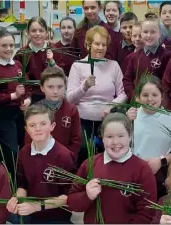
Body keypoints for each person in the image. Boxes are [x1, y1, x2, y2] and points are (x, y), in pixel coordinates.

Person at [67, 113, 157, 224]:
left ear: (130, 136)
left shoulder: (142, 169)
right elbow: (72, 202)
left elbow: (147, 212)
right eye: (109, 137)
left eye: (121, 136)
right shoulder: (89, 164)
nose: (115, 142)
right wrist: (87, 196)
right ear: (102, 138)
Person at [67, 25, 127, 165]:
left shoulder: (113, 65)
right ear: (88, 44)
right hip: (83, 119)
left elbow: (123, 94)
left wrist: (111, 106)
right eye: (97, 44)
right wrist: (85, 86)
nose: (100, 48)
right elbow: (70, 98)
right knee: (84, 149)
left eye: (103, 44)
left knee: (107, 149)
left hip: (107, 119)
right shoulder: (78, 66)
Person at [6, 105, 75, 224]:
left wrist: (37, 206)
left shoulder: (64, 156)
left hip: (56, 216)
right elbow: (23, 185)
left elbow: (69, 196)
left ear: (52, 126)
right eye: (32, 125)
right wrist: (19, 200)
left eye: (43, 124)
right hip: (31, 213)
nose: (38, 129)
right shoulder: (23, 153)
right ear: (26, 129)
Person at [126, 76, 171, 197]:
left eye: (154, 95)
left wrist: (161, 160)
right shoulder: (132, 116)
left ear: (162, 96)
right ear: (138, 98)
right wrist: (125, 121)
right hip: (131, 174)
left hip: (157, 176)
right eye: (145, 95)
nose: (150, 99)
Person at [0, 30, 27, 174]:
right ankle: (11, 182)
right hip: (3, 115)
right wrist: (13, 96)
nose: (8, 49)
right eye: (4, 46)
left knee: (23, 147)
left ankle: (22, 181)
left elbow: (27, 87)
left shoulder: (18, 66)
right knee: (11, 151)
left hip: (20, 113)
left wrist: (27, 99)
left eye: (11, 45)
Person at [24, 67, 82, 161]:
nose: (55, 91)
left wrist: (69, 157)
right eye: (50, 87)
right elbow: (28, 139)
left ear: (65, 87)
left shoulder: (72, 110)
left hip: (63, 160)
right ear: (42, 88)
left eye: (60, 87)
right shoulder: (34, 111)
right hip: (38, 159)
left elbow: (76, 140)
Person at [123, 17, 171, 100]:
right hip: (139, 102)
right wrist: (134, 96)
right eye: (145, 32)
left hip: (159, 103)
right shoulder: (134, 57)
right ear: (141, 33)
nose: (148, 35)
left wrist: (160, 99)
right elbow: (127, 79)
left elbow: (168, 83)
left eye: (153, 32)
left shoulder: (167, 56)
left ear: (159, 33)